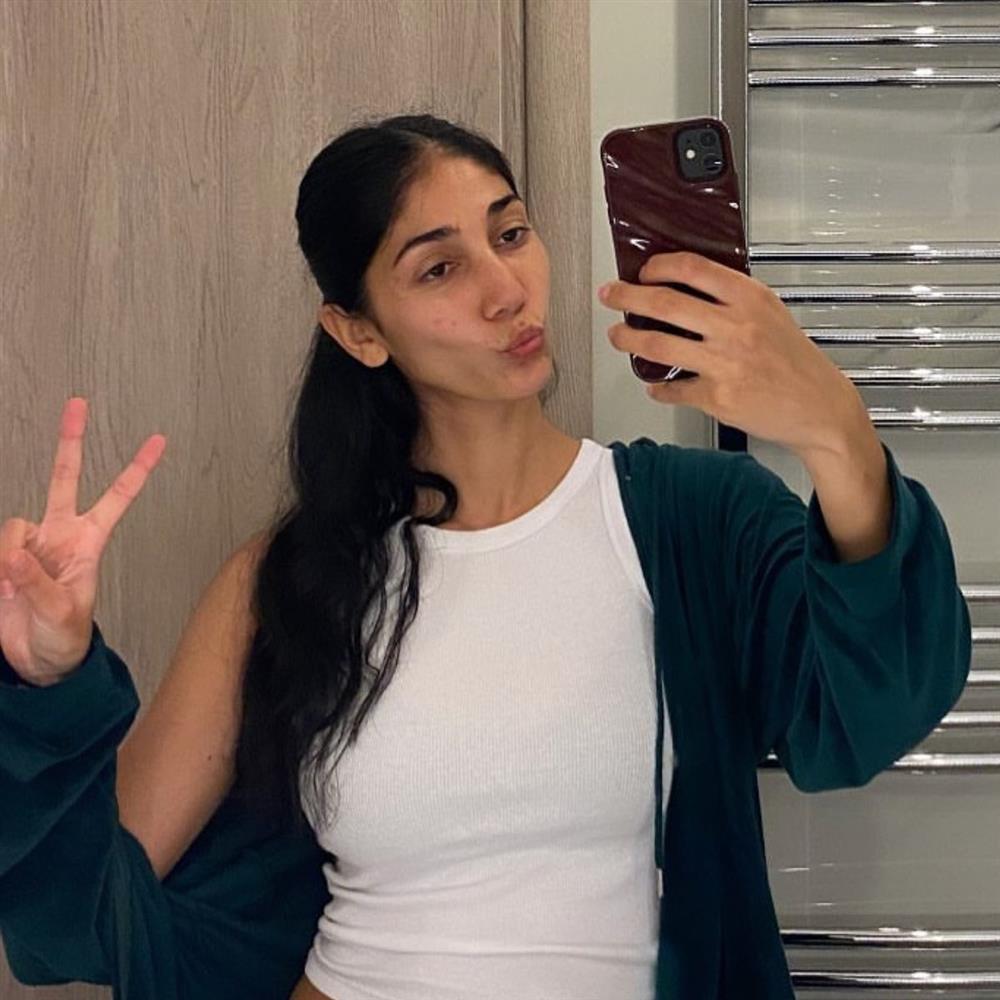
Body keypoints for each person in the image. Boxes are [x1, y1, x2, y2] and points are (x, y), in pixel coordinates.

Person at [0, 113, 972, 1000]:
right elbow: (71, 926)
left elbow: (867, 716)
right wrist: (51, 684)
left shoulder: (692, 520)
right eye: (439, 269)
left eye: (510, 234)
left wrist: (836, 430)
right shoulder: (284, 582)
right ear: (358, 331)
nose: (507, 291)